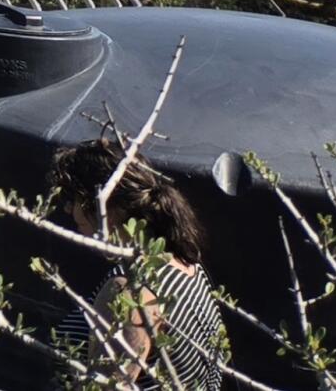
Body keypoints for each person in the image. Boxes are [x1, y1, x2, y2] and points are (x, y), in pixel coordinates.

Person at [46, 138, 227, 387]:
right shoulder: (184, 261)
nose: (68, 209)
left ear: (108, 205)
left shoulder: (130, 293)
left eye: (73, 198)